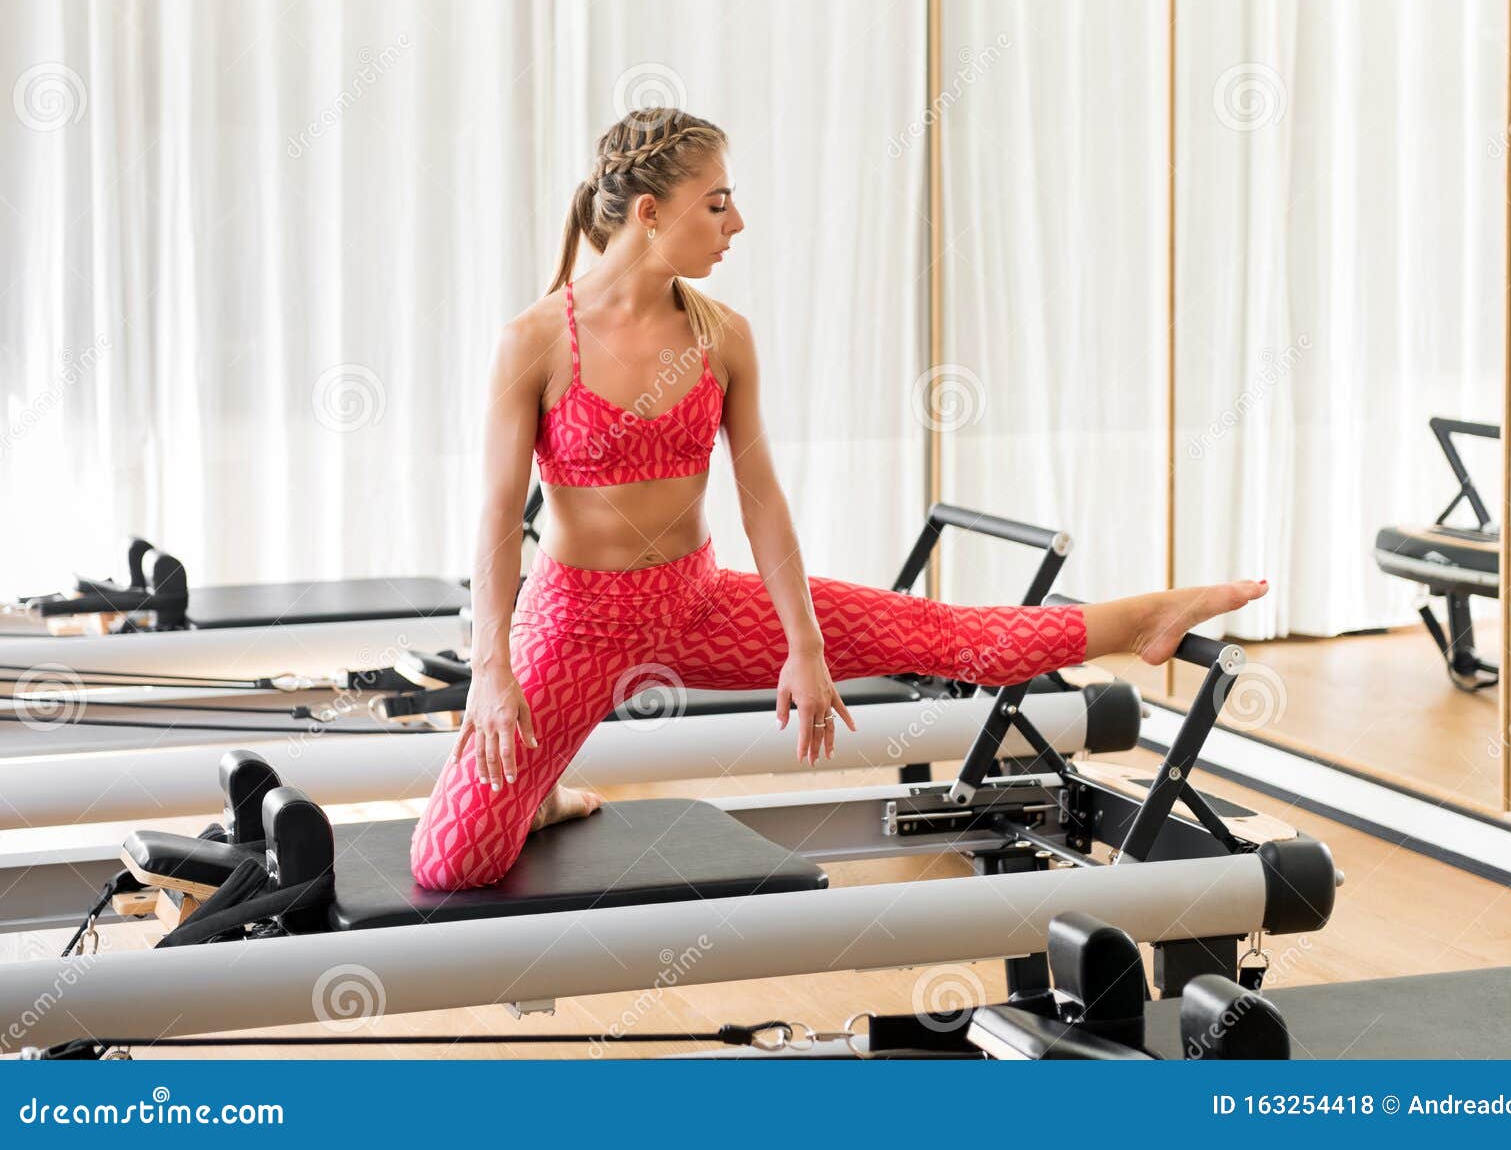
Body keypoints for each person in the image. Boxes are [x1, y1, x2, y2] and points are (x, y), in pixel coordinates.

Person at [409, 108, 1267, 891]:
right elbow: (493, 517)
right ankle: (545, 791)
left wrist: (804, 645)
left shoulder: (720, 335)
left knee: (952, 637)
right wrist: (492, 668)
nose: (735, 224)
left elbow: (763, 500)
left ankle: (1150, 614)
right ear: (649, 214)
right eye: (716, 205)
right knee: (451, 863)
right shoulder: (532, 339)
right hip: (575, 624)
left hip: (696, 599)